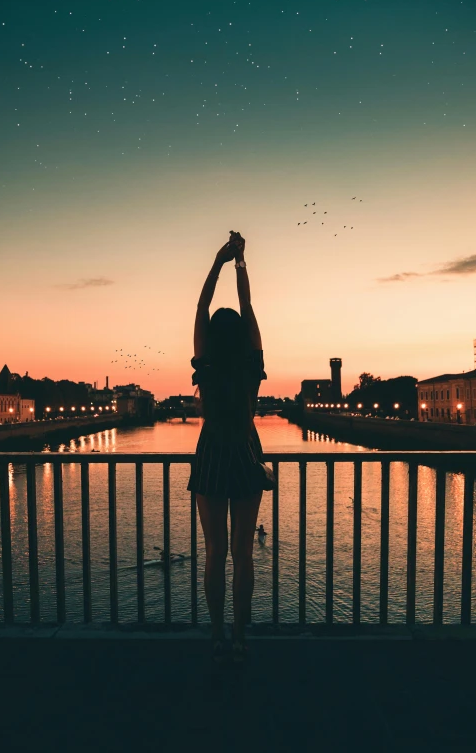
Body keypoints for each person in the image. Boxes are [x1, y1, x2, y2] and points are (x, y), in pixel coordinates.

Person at [187, 231, 267, 665]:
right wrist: (241, 262)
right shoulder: (250, 364)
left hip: (212, 450)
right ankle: (240, 636)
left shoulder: (208, 363)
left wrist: (218, 260)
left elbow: (201, 309)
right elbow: (249, 308)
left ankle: (216, 633)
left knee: (215, 552)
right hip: (246, 451)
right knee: (242, 554)